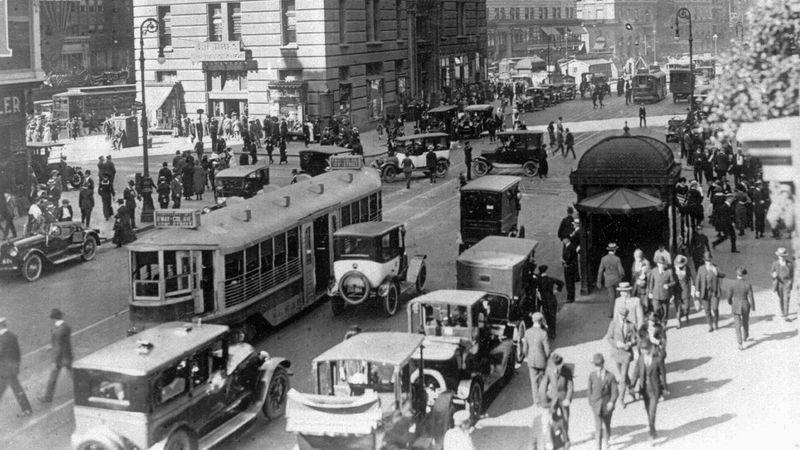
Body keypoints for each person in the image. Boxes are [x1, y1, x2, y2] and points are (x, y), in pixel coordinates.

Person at [630, 339, 668, 442]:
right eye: (643, 349)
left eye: (647, 349)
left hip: (655, 390)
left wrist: (665, 388)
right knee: (648, 411)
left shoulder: (658, 359)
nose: (645, 351)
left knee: (652, 411)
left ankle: (651, 433)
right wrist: (632, 385)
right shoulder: (640, 359)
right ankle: (653, 429)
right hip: (644, 390)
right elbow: (636, 372)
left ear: (651, 348)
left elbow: (663, 374)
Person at [605, 306, 637, 408]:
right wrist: (616, 344)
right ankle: (631, 389)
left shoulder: (631, 325)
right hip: (616, 353)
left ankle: (622, 399)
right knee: (624, 375)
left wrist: (630, 344)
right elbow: (609, 338)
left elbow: (635, 339)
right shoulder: (613, 324)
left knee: (622, 378)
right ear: (618, 315)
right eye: (621, 315)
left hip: (626, 354)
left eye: (625, 316)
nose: (623, 318)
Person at [539, 353, 574, 445]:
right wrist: (544, 400)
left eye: (560, 366)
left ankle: (566, 439)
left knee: (565, 419)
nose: (558, 369)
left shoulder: (567, 370)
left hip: (563, 397)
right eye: (557, 366)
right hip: (552, 398)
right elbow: (544, 385)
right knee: (554, 420)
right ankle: (556, 440)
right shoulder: (549, 370)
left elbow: (570, 386)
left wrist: (568, 399)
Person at [0, 318, 32, 417]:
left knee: (15, 388)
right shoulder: (12, 336)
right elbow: (18, 353)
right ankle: (27, 409)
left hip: (5, 370)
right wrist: (17, 365)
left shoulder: (1, 339)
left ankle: (27, 409)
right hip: (12, 367)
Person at [39, 309, 73, 403]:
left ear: (53, 319)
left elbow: (58, 347)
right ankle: (85, 390)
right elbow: (62, 343)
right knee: (73, 376)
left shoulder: (58, 330)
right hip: (67, 356)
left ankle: (47, 398)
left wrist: (54, 361)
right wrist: (52, 346)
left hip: (59, 359)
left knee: (52, 379)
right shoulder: (66, 326)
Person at [587, 353, 618, 450]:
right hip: (596, 405)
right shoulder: (592, 375)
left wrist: (612, 402)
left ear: (603, 364)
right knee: (598, 427)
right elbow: (589, 389)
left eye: (599, 365)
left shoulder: (610, 376)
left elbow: (615, 391)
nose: (597, 368)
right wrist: (591, 401)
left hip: (607, 405)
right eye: (596, 366)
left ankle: (607, 439)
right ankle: (598, 447)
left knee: (607, 424)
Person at [694, 251, 724, 332]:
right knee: (707, 310)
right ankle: (710, 325)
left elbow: (723, 275)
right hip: (705, 293)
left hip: (714, 292)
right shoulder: (701, 268)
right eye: (707, 261)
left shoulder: (716, 267)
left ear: (711, 260)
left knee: (715, 308)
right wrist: (697, 290)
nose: (708, 262)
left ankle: (716, 323)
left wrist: (716, 271)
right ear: (704, 261)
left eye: (709, 260)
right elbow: (698, 280)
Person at [728, 266, 755, 350]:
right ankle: (746, 336)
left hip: (736, 305)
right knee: (745, 321)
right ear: (743, 275)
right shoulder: (747, 284)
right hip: (745, 304)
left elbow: (729, 296)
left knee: (737, 324)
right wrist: (753, 306)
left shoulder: (732, 283)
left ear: (736, 274)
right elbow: (751, 296)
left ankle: (740, 343)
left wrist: (730, 302)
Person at [524, 312, 551, 397]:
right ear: (541, 321)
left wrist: (528, 356)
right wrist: (547, 359)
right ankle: (543, 397)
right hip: (542, 360)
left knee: (533, 382)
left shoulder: (527, 332)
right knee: (543, 380)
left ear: (533, 320)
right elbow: (547, 350)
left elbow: (525, 349)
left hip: (531, 360)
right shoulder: (543, 333)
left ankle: (536, 401)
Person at [597, 243, 625, 318]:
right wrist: (621, 277)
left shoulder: (604, 259)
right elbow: (621, 271)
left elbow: (600, 271)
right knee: (618, 296)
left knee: (611, 296)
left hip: (608, 279)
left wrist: (598, 281)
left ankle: (611, 313)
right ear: (615, 250)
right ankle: (618, 312)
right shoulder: (617, 259)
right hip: (616, 279)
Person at [537, 265, 564, 340]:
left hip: (545, 301)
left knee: (548, 317)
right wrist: (556, 291)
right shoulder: (550, 279)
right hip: (552, 299)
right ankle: (553, 333)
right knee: (553, 317)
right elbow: (561, 283)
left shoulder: (539, 281)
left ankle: (550, 332)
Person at [647, 254, 675, 322]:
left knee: (665, 311)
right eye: (659, 264)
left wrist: (668, 285)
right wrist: (650, 292)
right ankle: (658, 323)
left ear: (664, 264)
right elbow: (651, 282)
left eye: (662, 264)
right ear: (657, 264)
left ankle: (664, 324)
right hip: (656, 294)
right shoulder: (654, 271)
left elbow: (673, 282)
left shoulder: (669, 272)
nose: (661, 265)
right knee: (656, 310)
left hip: (665, 295)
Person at [771, 247, 793, 321]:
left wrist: (790, 282)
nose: (782, 257)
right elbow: (772, 272)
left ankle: (786, 314)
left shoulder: (789, 264)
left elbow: (792, 274)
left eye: (783, 256)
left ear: (786, 256)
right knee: (781, 298)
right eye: (780, 256)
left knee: (786, 298)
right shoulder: (775, 264)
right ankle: (782, 311)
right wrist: (773, 274)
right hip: (779, 283)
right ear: (778, 256)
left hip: (787, 284)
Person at [672, 255, 694, 327]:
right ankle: (678, 320)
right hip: (677, 290)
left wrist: (693, 287)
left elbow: (691, 278)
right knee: (678, 306)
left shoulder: (687, 269)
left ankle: (686, 313)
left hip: (685, 289)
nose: (680, 266)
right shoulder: (673, 270)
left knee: (686, 306)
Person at [561, 237, 579, 303]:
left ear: (567, 239)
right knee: (570, 283)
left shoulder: (569, 248)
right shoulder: (569, 246)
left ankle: (570, 298)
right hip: (570, 267)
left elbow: (568, 258)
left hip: (569, 267)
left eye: (563, 239)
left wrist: (564, 261)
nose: (562, 240)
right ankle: (571, 297)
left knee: (569, 283)